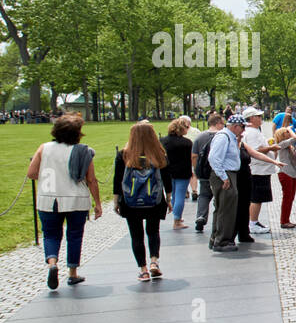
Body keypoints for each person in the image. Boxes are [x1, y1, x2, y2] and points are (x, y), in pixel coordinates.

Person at [27, 113, 102, 289]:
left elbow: (31, 173)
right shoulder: (83, 150)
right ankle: (73, 272)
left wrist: (47, 178)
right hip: (76, 199)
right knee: (75, 235)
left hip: (48, 198)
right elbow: (91, 179)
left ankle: (52, 262)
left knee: (51, 234)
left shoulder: (44, 148)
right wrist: (97, 203)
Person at [113, 121, 170, 281]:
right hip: (154, 198)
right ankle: (154, 261)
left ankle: (143, 269)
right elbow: (166, 178)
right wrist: (169, 197)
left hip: (131, 200)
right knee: (153, 231)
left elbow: (117, 180)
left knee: (136, 235)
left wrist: (116, 200)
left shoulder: (124, 155)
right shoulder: (159, 154)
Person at [207, 114, 244, 252]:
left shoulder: (229, 137)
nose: (243, 130)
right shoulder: (224, 137)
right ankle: (222, 240)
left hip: (226, 174)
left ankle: (216, 237)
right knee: (226, 208)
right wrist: (224, 177)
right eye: (242, 127)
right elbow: (214, 158)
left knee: (222, 206)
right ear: (236, 126)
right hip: (225, 174)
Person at [242, 108, 279, 233]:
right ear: (251, 118)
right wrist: (271, 148)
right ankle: (252, 223)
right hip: (258, 169)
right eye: (258, 116)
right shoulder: (252, 132)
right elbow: (254, 150)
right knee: (256, 198)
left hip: (261, 169)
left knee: (257, 198)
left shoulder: (253, 131)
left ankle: (254, 221)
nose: (260, 118)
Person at [190, 113, 224, 233]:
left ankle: (201, 216)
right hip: (219, 171)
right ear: (218, 123)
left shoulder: (200, 137)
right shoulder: (222, 136)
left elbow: (194, 156)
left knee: (204, 195)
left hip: (204, 171)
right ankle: (219, 220)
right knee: (219, 196)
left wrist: (196, 169)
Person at [161, 116, 194, 230]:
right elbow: (190, 158)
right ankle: (177, 220)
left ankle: (176, 214)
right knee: (180, 195)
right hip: (183, 171)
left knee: (172, 194)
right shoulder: (187, 143)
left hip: (167, 171)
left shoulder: (163, 141)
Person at [274, 126, 296, 228]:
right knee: (287, 197)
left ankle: (286, 219)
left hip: (292, 173)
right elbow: (295, 138)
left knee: (290, 197)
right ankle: (284, 221)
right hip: (285, 173)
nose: (289, 133)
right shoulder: (281, 144)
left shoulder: (288, 146)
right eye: (287, 132)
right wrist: (289, 129)